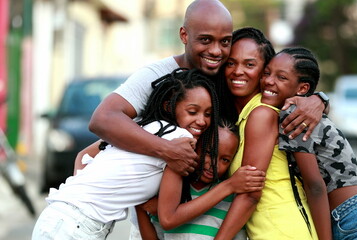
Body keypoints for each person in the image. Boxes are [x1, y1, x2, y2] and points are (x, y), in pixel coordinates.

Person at [86, 0, 327, 179]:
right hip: (161, 218)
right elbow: (103, 120)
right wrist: (167, 151)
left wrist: (318, 99)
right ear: (184, 35)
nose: (216, 51)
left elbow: (279, 88)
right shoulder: (157, 76)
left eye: (224, 42)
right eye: (205, 40)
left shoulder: (227, 74)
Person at [32, 68, 229, 240]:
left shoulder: (143, 126)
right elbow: (169, 218)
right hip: (75, 228)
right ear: (169, 106)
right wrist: (229, 186)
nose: (202, 121)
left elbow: (83, 156)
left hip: (58, 217)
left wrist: (96, 194)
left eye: (208, 114)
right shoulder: (181, 140)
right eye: (192, 112)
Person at [260, 47, 357, 240]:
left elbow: (315, 186)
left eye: (281, 77)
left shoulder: (294, 114)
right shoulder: (304, 109)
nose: (268, 80)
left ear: (302, 89)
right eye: (266, 73)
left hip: (353, 221)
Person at [215, 27, 318, 240]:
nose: (237, 71)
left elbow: (250, 194)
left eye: (249, 64)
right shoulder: (243, 115)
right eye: (231, 63)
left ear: (264, 70)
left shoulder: (261, 114)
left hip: (283, 231)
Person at [136, 119, 265, 239]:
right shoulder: (172, 196)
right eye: (209, 152)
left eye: (225, 160)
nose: (214, 164)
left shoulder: (233, 200)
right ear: (195, 146)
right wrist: (140, 207)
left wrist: (230, 186)